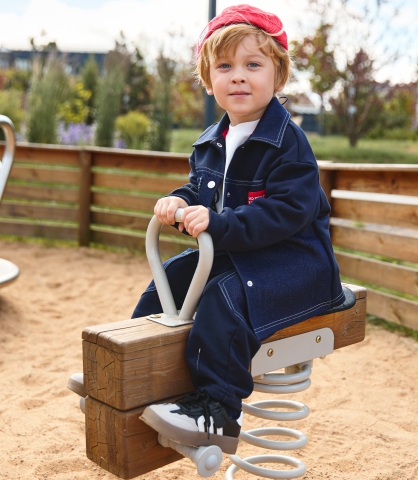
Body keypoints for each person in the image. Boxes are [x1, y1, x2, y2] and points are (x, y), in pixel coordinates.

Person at [134, 4, 345, 454]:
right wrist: (181, 201)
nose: (239, 77)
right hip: (244, 256)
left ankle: (217, 411)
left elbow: (287, 211)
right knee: (171, 277)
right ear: (209, 80)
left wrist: (219, 223)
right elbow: (199, 189)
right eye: (225, 67)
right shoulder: (211, 141)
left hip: (296, 266)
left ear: (277, 75)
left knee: (225, 297)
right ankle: (131, 368)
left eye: (253, 65)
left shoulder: (288, 142)